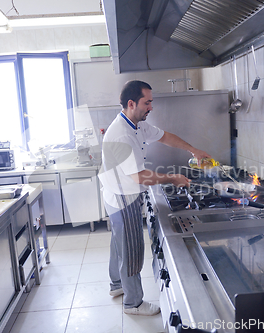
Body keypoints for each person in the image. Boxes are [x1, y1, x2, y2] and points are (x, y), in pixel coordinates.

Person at [98, 80, 211, 316]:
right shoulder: (122, 135)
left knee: (119, 242)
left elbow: (165, 137)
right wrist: (173, 178)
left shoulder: (135, 124)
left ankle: (117, 285)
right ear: (132, 103)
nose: (151, 107)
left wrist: (194, 150)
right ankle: (133, 303)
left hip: (117, 191)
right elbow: (139, 176)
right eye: (147, 102)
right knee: (131, 248)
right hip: (123, 197)